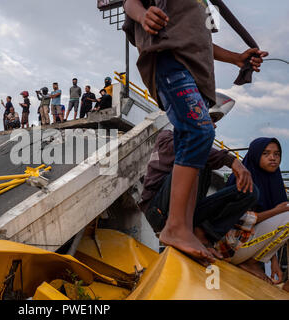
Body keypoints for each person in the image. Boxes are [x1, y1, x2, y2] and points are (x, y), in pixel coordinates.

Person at [123, 0, 268, 262]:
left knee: (197, 143)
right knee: (199, 132)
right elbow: (129, 2)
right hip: (169, 60)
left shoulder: (203, 5)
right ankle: (175, 227)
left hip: (197, 75)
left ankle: (186, 230)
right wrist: (143, 15)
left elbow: (201, 42)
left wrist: (236, 58)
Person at [140, 115, 258, 264]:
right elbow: (189, 150)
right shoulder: (166, 137)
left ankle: (203, 235)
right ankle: (181, 230)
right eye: (211, 121)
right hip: (158, 210)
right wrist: (232, 161)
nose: (214, 127)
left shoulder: (202, 153)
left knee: (250, 192)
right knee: (194, 158)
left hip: (190, 214)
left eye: (215, 123)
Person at [214, 138, 289, 284]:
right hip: (228, 248)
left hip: (247, 247)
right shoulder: (243, 179)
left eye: (277, 154)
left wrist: (274, 263)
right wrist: (275, 211)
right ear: (255, 155)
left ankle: (252, 262)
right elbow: (240, 218)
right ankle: (251, 263)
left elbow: (272, 228)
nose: (273, 158)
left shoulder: (273, 181)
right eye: (266, 153)